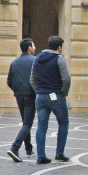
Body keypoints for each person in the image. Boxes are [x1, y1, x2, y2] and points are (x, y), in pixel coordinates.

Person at [30, 36, 71, 165]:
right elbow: (66, 79)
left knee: (41, 126)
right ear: (59, 47)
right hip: (56, 95)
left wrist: (39, 91)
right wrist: (64, 92)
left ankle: (41, 156)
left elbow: (32, 79)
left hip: (41, 96)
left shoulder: (37, 59)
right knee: (63, 123)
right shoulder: (59, 58)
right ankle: (59, 153)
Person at [6, 38, 37, 162]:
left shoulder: (14, 62)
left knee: (25, 122)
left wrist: (17, 90)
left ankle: (29, 149)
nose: (34, 48)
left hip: (19, 96)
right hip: (31, 95)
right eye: (33, 45)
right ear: (29, 48)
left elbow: (9, 81)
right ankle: (15, 148)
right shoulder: (35, 61)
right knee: (28, 123)